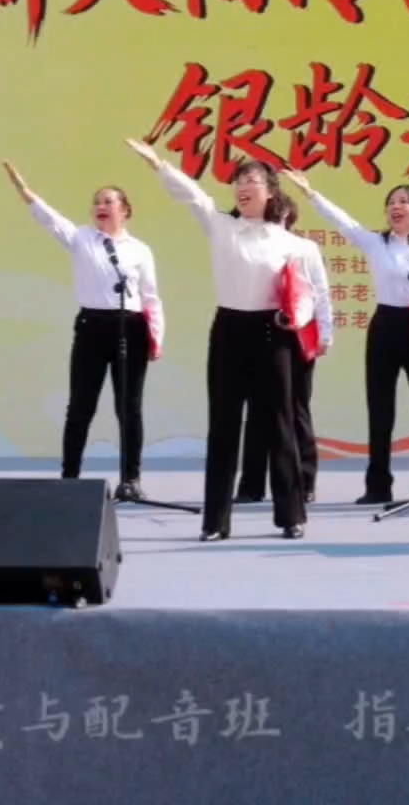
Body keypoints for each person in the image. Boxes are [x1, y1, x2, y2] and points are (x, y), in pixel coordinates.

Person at [126, 139, 313, 540]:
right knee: (224, 425)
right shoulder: (221, 225)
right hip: (229, 331)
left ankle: (291, 515)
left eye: (252, 180)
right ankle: (215, 522)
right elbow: (192, 194)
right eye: (239, 181)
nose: (243, 187)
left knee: (280, 424)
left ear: (270, 191)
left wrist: (296, 318)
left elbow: (306, 294)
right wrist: (158, 164)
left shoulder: (291, 243)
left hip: (273, 333)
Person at [283, 172, 409, 505]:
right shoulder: (377, 242)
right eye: (391, 203)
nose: (395, 208)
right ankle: (378, 485)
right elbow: (344, 223)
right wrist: (311, 193)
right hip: (385, 325)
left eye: (403, 202)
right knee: (380, 409)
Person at [4, 161, 165, 502]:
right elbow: (48, 218)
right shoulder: (81, 238)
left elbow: (151, 297)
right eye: (96, 202)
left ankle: (131, 479)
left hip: (131, 327)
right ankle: (70, 475)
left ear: (125, 210)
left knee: (129, 408)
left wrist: (156, 337)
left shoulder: (140, 250)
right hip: (92, 327)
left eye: (108, 201)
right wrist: (24, 190)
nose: (100, 206)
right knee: (81, 405)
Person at [235, 197, 332, 504]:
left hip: (297, 334)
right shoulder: (251, 248)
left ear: (290, 216)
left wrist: (325, 333)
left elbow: (320, 291)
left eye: (279, 213)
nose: (275, 218)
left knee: (295, 408)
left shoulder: (304, 247)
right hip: (259, 332)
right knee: (257, 409)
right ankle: (251, 485)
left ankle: (304, 481)